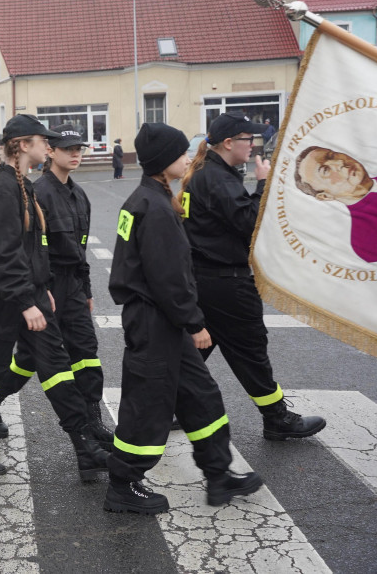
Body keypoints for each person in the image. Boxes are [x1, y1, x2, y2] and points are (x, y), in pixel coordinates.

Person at [106, 122, 262, 514]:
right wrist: (194, 322)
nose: (188, 158)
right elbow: (168, 277)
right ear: (162, 162)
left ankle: (218, 474)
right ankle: (123, 484)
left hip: (162, 320)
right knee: (147, 404)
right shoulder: (154, 207)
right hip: (156, 320)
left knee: (201, 396)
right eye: (181, 154)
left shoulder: (149, 199)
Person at [0, 115, 109, 478]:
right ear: (23, 145)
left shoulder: (20, 184)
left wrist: (41, 289)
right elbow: (4, 254)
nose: (48, 147)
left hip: (30, 293)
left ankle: (85, 446)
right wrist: (27, 301)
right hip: (5, 298)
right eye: (43, 141)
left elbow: (32, 247)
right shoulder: (7, 188)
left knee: (57, 368)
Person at [180, 113, 326, 439]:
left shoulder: (208, 173)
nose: (253, 145)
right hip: (226, 283)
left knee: (193, 353)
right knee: (250, 350)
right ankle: (276, 419)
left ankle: (171, 407)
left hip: (207, 281)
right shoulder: (216, 179)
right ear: (229, 143)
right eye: (249, 139)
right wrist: (263, 183)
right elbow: (250, 223)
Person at [28, 124, 113, 449]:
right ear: (50, 151)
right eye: (68, 148)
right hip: (47, 287)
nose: (76, 154)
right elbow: (36, 249)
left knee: (86, 351)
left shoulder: (79, 196)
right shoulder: (40, 193)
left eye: (79, 148)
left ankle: (93, 423)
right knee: (32, 359)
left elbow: (81, 248)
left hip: (74, 286)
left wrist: (88, 290)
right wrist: (39, 290)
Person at [295, 145, 377, 263]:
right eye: (325, 170)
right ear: (324, 196)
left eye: (332, 155)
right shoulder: (364, 241)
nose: (339, 162)